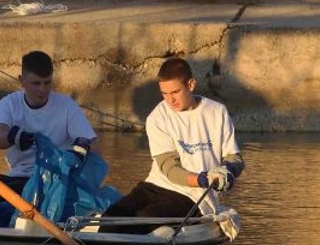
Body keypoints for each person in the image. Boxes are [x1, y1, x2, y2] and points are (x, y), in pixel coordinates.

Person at [101, 57, 243, 228]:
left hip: (195, 196)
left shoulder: (217, 111)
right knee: (111, 217)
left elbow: (235, 158)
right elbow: (169, 169)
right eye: (165, 94)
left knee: (148, 217)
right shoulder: (157, 118)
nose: (170, 100)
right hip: (156, 185)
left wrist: (228, 171)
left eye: (175, 92)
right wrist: (202, 179)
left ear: (190, 85)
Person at [0, 50, 97, 226]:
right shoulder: (8, 104)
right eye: (36, 83)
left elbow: (91, 141)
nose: (42, 90)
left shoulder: (66, 105)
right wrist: (15, 136)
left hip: (58, 180)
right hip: (22, 177)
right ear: (22, 81)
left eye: (47, 83)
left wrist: (79, 151)